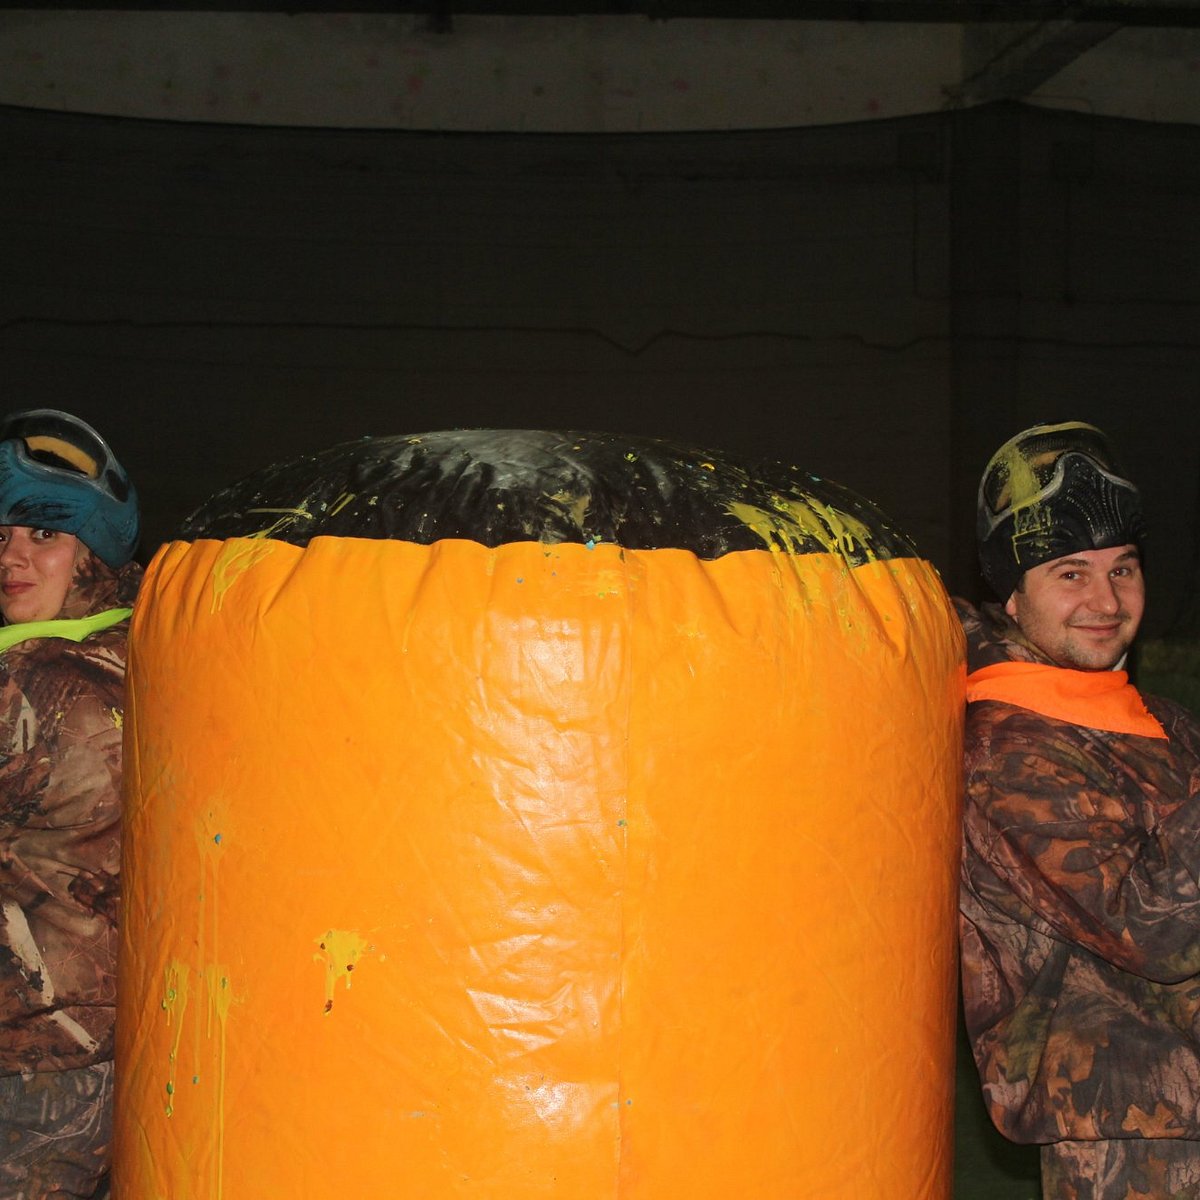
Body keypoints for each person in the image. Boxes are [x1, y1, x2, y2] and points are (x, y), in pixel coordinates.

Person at [958, 419, 1200, 1200]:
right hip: (1132, 1134)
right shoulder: (1010, 750)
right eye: (1071, 574)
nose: (1106, 600)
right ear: (1014, 595)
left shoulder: (1157, 720)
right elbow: (1158, 925)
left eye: (1123, 569)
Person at [0, 410, 141, 1200]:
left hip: (24, 1063)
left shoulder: (40, 685)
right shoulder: (140, 659)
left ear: (91, 554)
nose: (13, 559)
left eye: (42, 537)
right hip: (91, 1049)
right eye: (2, 540)